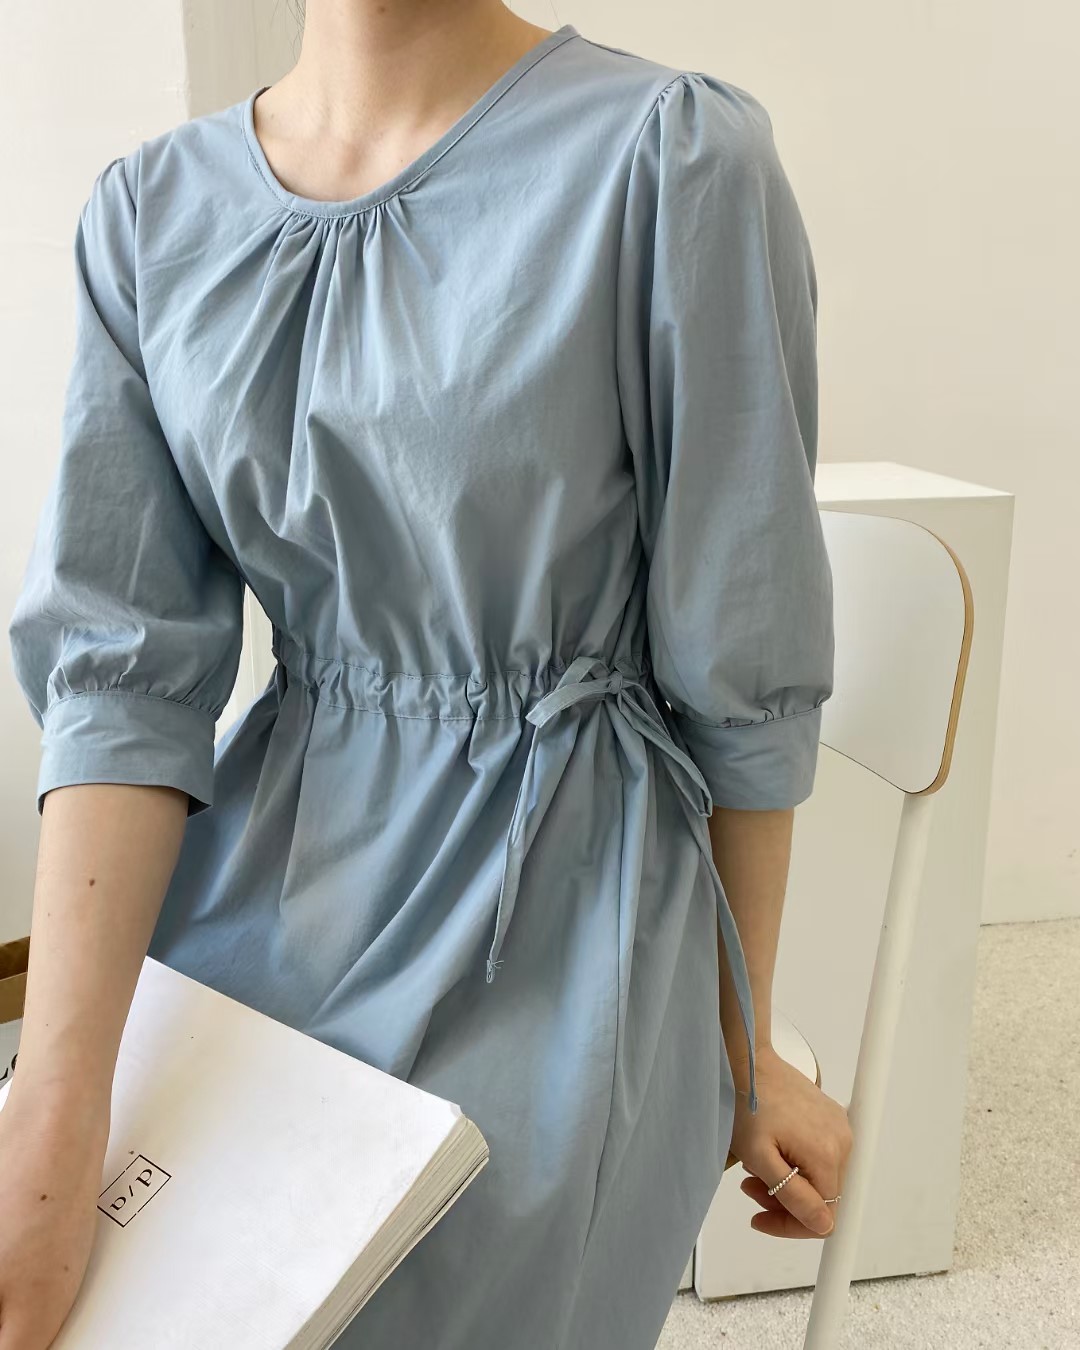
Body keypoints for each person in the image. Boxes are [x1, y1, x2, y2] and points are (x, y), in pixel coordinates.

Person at [0, 4, 852, 1348]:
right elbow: (120, 687)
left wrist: (744, 1055)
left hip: (563, 907)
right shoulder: (151, 214)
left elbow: (744, 666)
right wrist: (54, 1106)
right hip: (267, 867)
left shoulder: (672, 156)